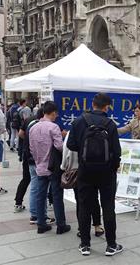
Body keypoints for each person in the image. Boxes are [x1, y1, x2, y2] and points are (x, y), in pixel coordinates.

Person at [67, 93, 123, 256]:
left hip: (85, 171)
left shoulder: (78, 122)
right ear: (107, 107)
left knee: (85, 206)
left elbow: (71, 144)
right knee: (108, 207)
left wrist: (85, 151)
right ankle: (111, 245)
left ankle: (85, 244)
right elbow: (117, 151)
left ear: (93, 104)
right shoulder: (110, 124)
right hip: (107, 173)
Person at [29, 101, 70, 235]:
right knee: (57, 196)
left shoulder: (33, 128)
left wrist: (38, 160)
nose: (56, 116)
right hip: (53, 167)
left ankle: (41, 224)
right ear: (53, 113)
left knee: (41, 196)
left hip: (39, 166)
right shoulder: (53, 127)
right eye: (56, 114)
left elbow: (31, 148)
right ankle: (61, 225)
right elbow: (59, 146)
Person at [61, 130, 104, 239]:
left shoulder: (73, 132)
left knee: (81, 201)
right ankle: (97, 226)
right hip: (94, 169)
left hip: (77, 171)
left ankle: (82, 228)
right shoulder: (97, 130)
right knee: (94, 198)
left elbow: (66, 151)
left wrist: (64, 167)